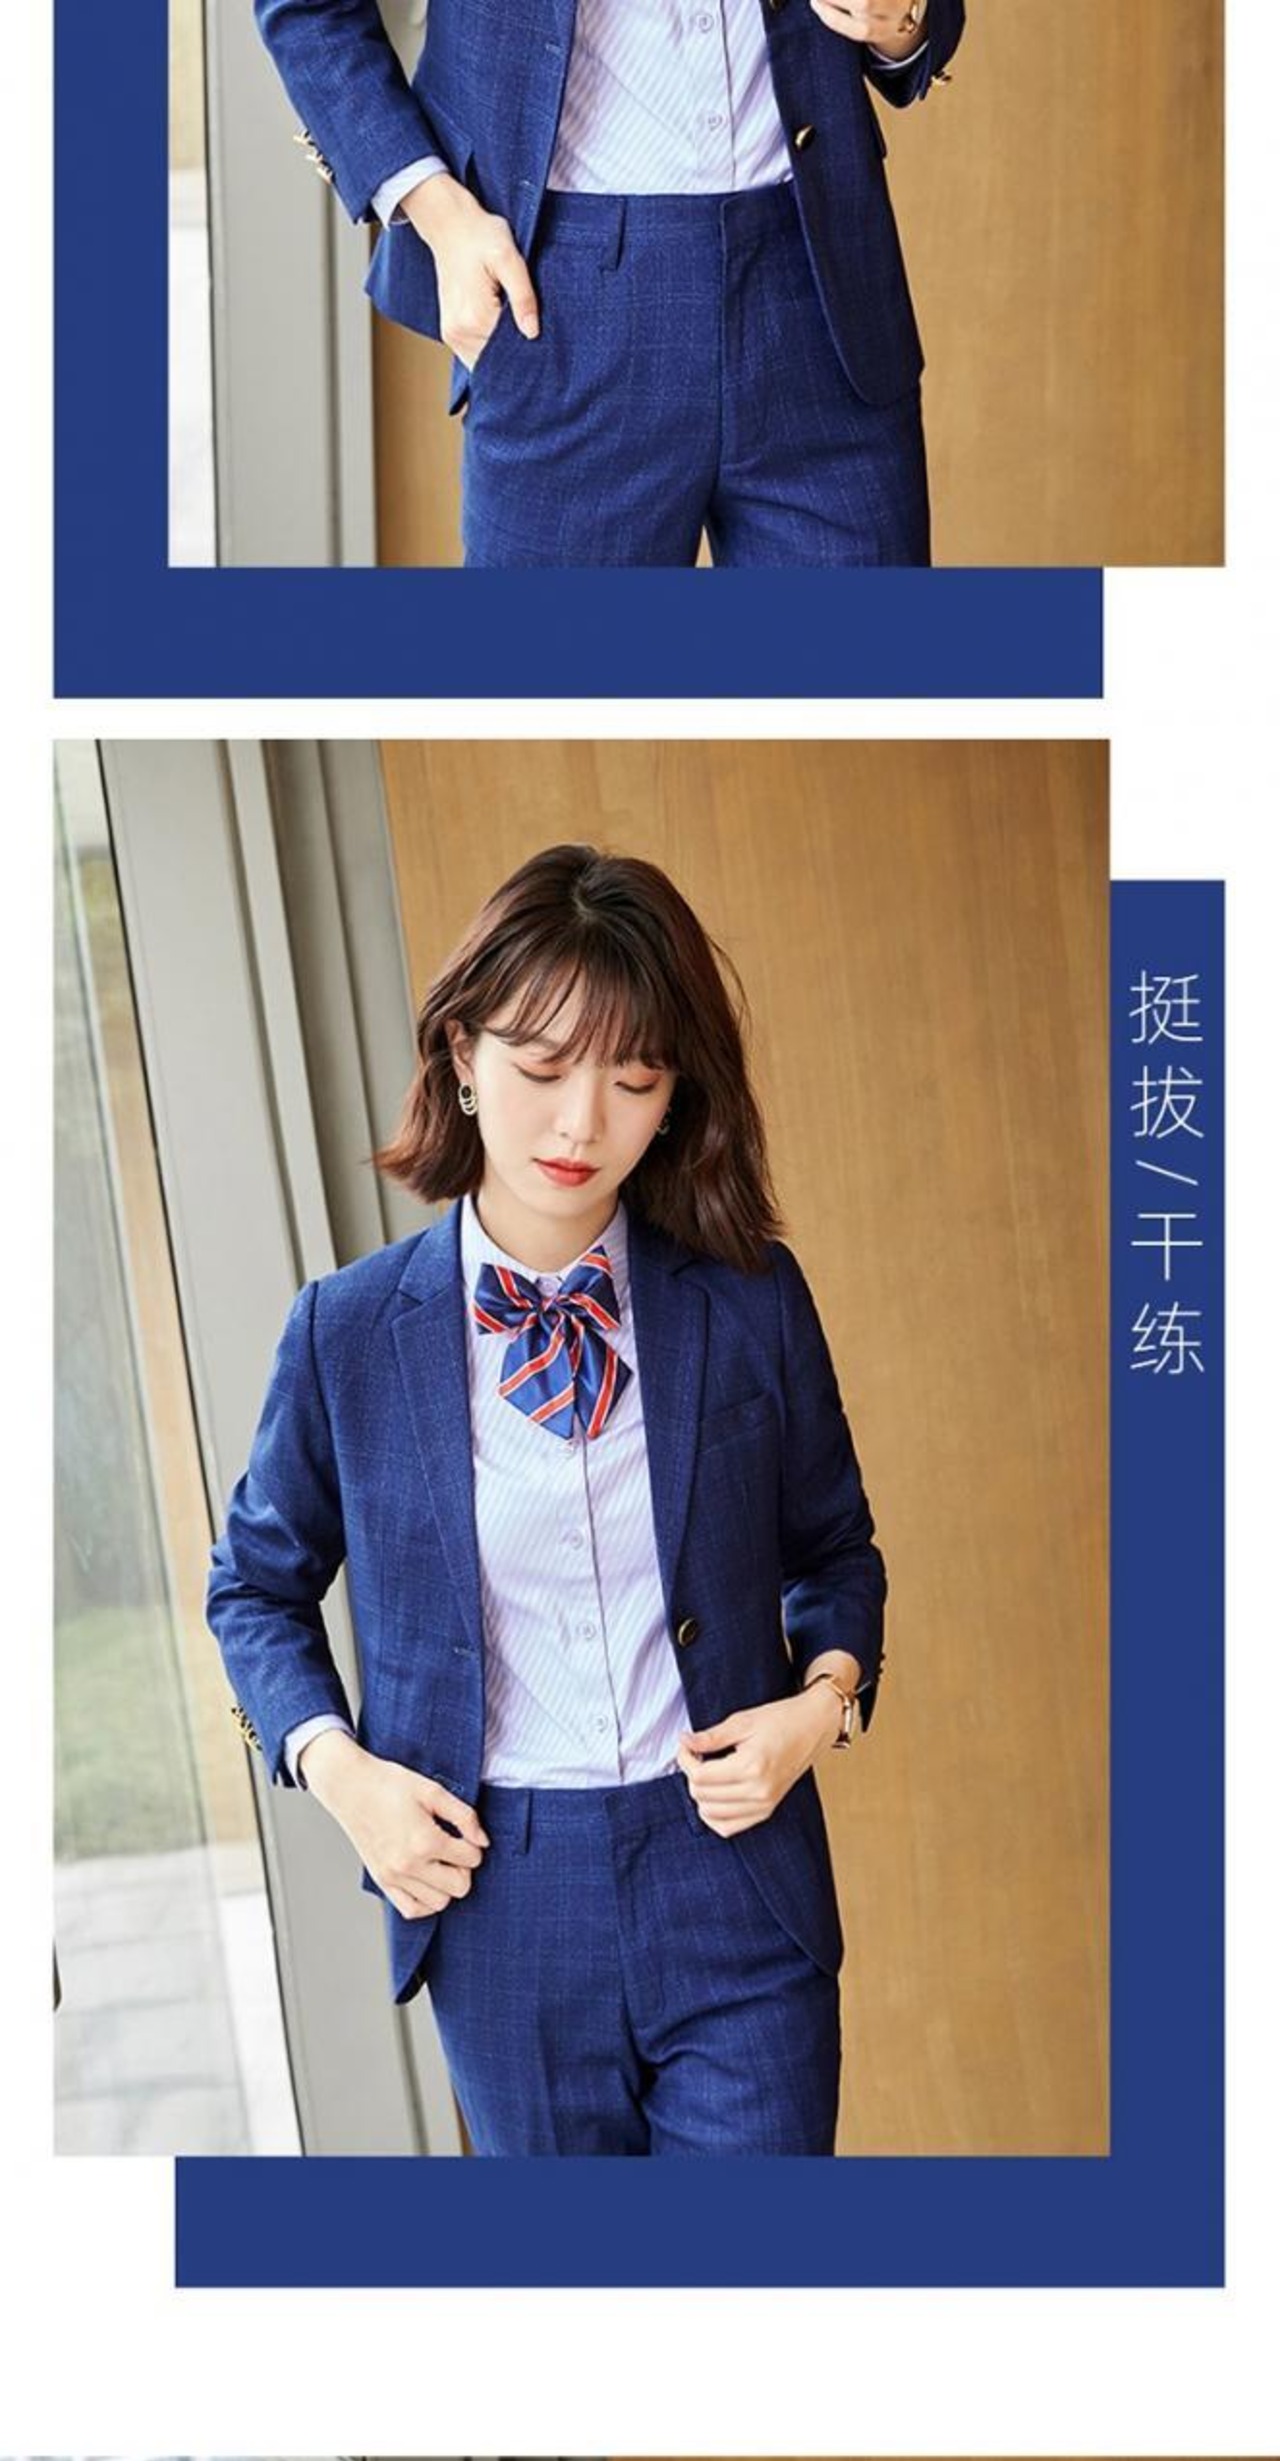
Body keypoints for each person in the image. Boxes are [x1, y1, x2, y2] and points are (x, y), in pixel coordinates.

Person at [205, 840, 885, 2163]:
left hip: (730, 1874)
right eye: (540, 1068)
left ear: (674, 1097)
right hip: (499, 1892)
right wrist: (339, 1773)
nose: (581, 1125)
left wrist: (821, 1705)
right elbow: (252, 1592)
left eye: (632, 1080)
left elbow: (835, 1550)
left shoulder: (748, 1301)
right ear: (462, 1055)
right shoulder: (347, 1333)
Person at [252, 4, 964, 578]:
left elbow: (916, 18)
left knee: (861, 703)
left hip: (822, 295)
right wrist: (439, 213)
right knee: (556, 704)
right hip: (560, 302)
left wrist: (904, 20)